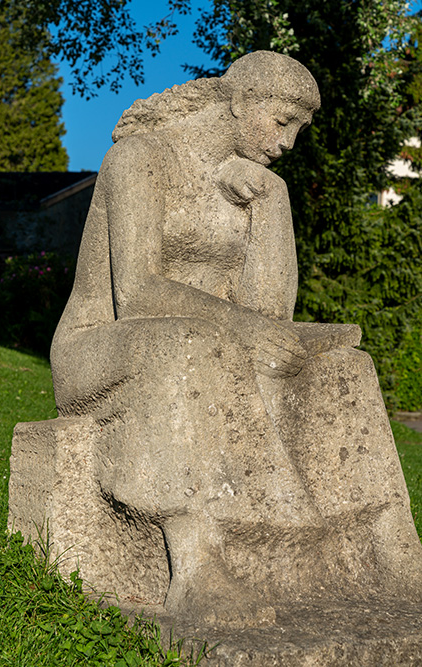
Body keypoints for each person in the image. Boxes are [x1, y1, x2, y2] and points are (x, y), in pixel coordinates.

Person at [51, 51, 422, 626]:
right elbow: (139, 292)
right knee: (191, 347)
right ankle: (200, 564)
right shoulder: (140, 159)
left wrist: (271, 204)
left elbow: (270, 313)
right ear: (240, 99)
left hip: (208, 341)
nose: (290, 142)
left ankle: (389, 552)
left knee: (346, 366)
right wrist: (243, 328)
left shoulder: (259, 184)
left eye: (299, 129)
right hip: (101, 346)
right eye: (282, 122)